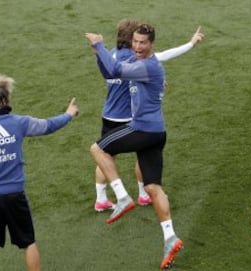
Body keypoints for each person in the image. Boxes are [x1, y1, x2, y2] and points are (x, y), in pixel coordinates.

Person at [86, 23, 199, 269]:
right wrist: (99, 55)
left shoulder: (147, 66)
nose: (137, 46)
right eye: (135, 42)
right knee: (153, 187)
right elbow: (112, 72)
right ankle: (170, 237)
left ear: (152, 44)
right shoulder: (147, 66)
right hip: (157, 133)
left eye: (143, 43)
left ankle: (123, 197)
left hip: (142, 130)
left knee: (98, 149)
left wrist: (97, 44)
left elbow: (115, 68)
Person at [0, 74, 79, 271]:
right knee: (28, 243)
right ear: (6, 100)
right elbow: (48, 126)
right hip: (15, 195)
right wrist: (68, 114)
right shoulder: (19, 123)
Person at [94, 20, 204, 212]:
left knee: (107, 156)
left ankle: (101, 198)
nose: (138, 44)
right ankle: (143, 194)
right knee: (139, 155)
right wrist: (190, 44)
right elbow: (160, 57)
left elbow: (109, 71)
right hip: (130, 116)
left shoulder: (111, 53)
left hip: (109, 113)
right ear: (131, 39)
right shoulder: (134, 57)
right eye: (136, 40)